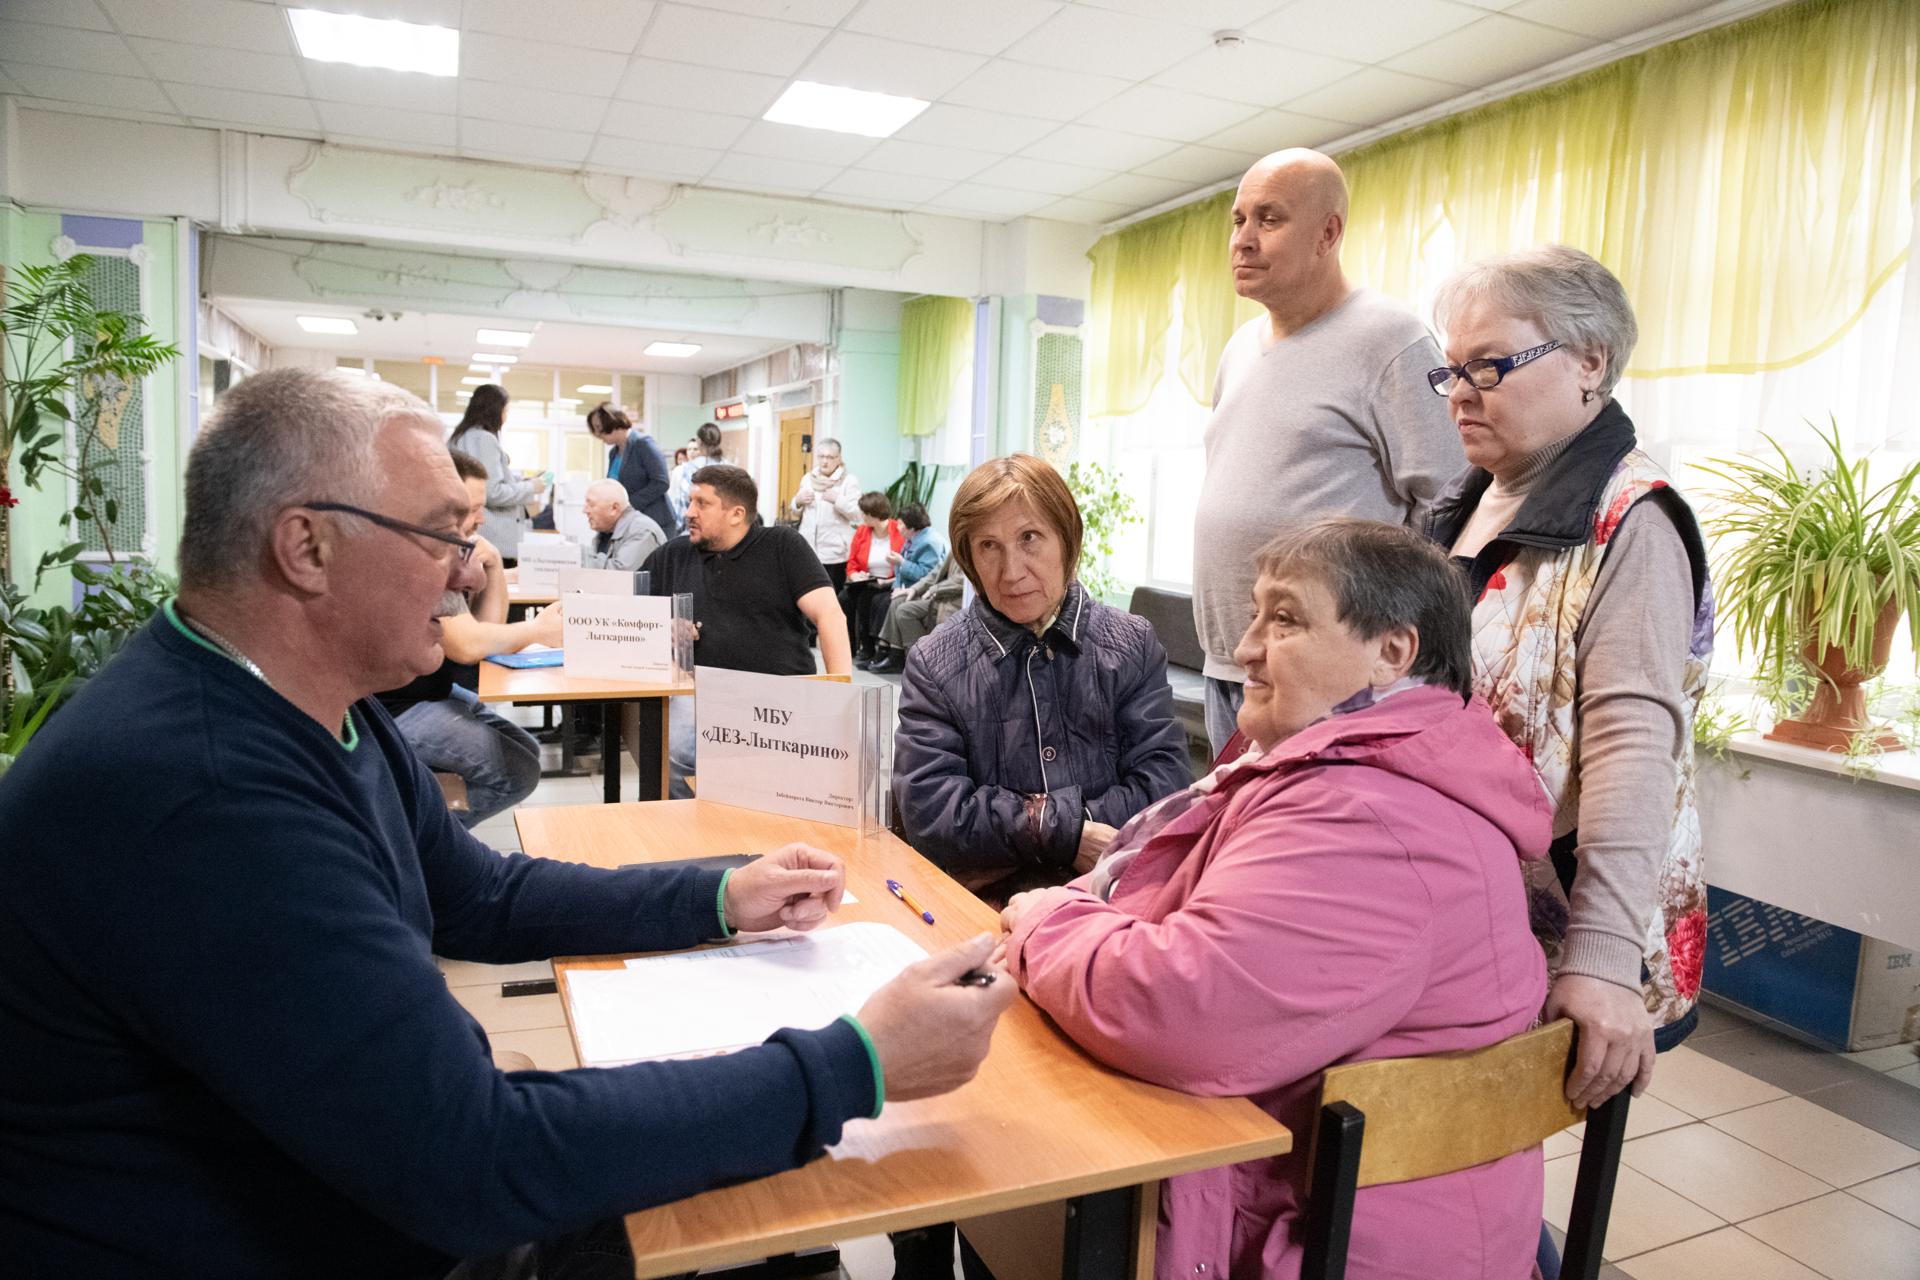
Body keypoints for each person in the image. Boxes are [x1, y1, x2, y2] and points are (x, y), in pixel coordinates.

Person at [0, 368, 1015, 1278]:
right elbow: (472, 1160)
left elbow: (478, 893)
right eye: (442, 532)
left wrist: (716, 892)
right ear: (306, 545)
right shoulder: (205, 793)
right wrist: (857, 1063)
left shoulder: (315, 705)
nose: (467, 566)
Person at [1002, 519, 1551, 1280]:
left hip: (1331, 1246)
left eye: (1285, 619)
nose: (1246, 648)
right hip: (1298, 1206)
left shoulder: (1371, 819)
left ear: (1393, 652)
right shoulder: (1344, 767)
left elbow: (1181, 1007)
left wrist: (1043, 922)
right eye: (1255, 614)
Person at [1424, 245, 1713, 1109]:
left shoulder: (1633, 519)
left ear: (1591, 361)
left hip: (1568, 910)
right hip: (1471, 897)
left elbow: (1632, 752)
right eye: (1452, 369)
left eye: (1490, 364)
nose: (1463, 391)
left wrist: (1601, 961)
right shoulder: (1470, 500)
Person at [1194, 148, 1465, 754]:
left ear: (1328, 232)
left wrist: (1372, 646)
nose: (1242, 239)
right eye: (1238, 220)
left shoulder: (1392, 340)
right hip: (1230, 666)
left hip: (1329, 682)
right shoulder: (1238, 348)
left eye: (1268, 219)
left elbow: (1451, 507)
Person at [893, 454, 1190, 905]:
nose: (1011, 572)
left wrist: (1033, 828)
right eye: (989, 546)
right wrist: (1067, 834)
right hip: (988, 905)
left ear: (1067, 540)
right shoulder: (934, 663)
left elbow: (1165, 787)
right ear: (969, 557)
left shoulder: (1131, 643)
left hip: (1115, 899)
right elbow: (934, 813)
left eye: (1029, 538)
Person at [643, 464, 853, 798]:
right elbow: (628, 610)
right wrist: (661, 623)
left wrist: (841, 696)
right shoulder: (675, 554)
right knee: (678, 751)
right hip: (702, 693)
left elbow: (830, 616)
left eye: (702, 503)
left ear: (736, 513)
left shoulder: (782, 546)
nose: (689, 512)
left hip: (778, 696)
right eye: (690, 502)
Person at [379, 448, 559, 827]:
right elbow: (467, 645)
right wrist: (538, 630)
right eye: (470, 509)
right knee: (517, 772)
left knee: (526, 751)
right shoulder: (423, 554)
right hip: (392, 710)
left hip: (428, 692)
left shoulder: (451, 548)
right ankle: (424, 847)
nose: (480, 518)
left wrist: (492, 566)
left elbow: (481, 630)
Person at [449, 383, 544, 567]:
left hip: (474, 536)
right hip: (495, 540)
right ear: (495, 410)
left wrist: (518, 482)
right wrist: (531, 487)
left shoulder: (458, 438)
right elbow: (493, 492)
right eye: (505, 411)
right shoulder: (484, 439)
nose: (505, 417)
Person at [863, 503, 944, 674]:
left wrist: (902, 563)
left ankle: (892, 653)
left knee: (896, 603)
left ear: (911, 527)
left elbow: (927, 574)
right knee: (883, 599)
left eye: (900, 523)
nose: (897, 526)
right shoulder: (913, 539)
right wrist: (897, 586)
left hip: (927, 591)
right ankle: (886, 651)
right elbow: (901, 571)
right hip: (910, 587)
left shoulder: (929, 542)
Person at [868, 549, 962, 676]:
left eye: (901, 526)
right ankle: (894, 654)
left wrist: (934, 589)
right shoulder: (956, 546)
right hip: (939, 595)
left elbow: (961, 580)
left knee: (904, 610)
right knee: (898, 600)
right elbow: (935, 573)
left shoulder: (929, 543)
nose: (898, 527)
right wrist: (914, 589)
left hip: (952, 600)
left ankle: (920, 661)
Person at [590, 402, 675, 534]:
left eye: (601, 431)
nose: (599, 436)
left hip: (655, 521)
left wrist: (627, 505)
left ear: (613, 425)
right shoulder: (614, 453)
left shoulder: (643, 444)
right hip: (631, 522)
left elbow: (661, 482)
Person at [841, 491, 903, 669]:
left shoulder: (897, 530)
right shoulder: (862, 532)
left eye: (865, 514)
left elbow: (903, 560)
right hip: (866, 580)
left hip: (889, 582)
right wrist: (854, 575)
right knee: (844, 599)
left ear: (874, 514)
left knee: (866, 600)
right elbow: (852, 562)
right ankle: (851, 646)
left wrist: (890, 579)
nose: (862, 518)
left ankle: (868, 647)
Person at [791, 437, 861, 592]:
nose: (825, 461)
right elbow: (795, 511)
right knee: (807, 596)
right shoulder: (808, 479)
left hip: (834, 553)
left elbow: (857, 515)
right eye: (821, 457)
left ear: (839, 458)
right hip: (808, 550)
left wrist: (838, 500)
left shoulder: (848, 481)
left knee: (831, 597)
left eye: (829, 457)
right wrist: (798, 501)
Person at [582, 478, 666, 572]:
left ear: (614, 508)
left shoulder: (642, 531)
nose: (585, 511)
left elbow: (621, 576)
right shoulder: (605, 532)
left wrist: (579, 561)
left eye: (591, 505)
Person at [669, 422, 725, 532]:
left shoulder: (688, 469)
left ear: (699, 442)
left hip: (695, 531)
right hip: (721, 531)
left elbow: (682, 505)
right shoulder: (730, 467)